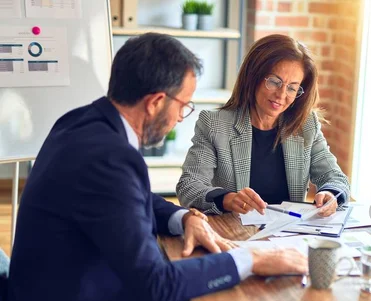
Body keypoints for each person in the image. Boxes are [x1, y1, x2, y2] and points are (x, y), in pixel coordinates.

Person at [8, 33, 307, 301]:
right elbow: (156, 285)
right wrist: (249, 259)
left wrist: (183, 218)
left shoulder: (82, 122)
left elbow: (130, 197)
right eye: (183, 106)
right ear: (155, 102)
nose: (181, 117)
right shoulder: (109, 157)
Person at [177, 34, 350, 217]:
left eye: (292, 88)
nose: (281, 95)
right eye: (274, 82)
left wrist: (331, 194)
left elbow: (335, 178)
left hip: (286, 235)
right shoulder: (214, 124)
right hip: (234, 233)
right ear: (254, 76)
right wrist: (227, 199)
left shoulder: (306, 125)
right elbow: (189, 186)